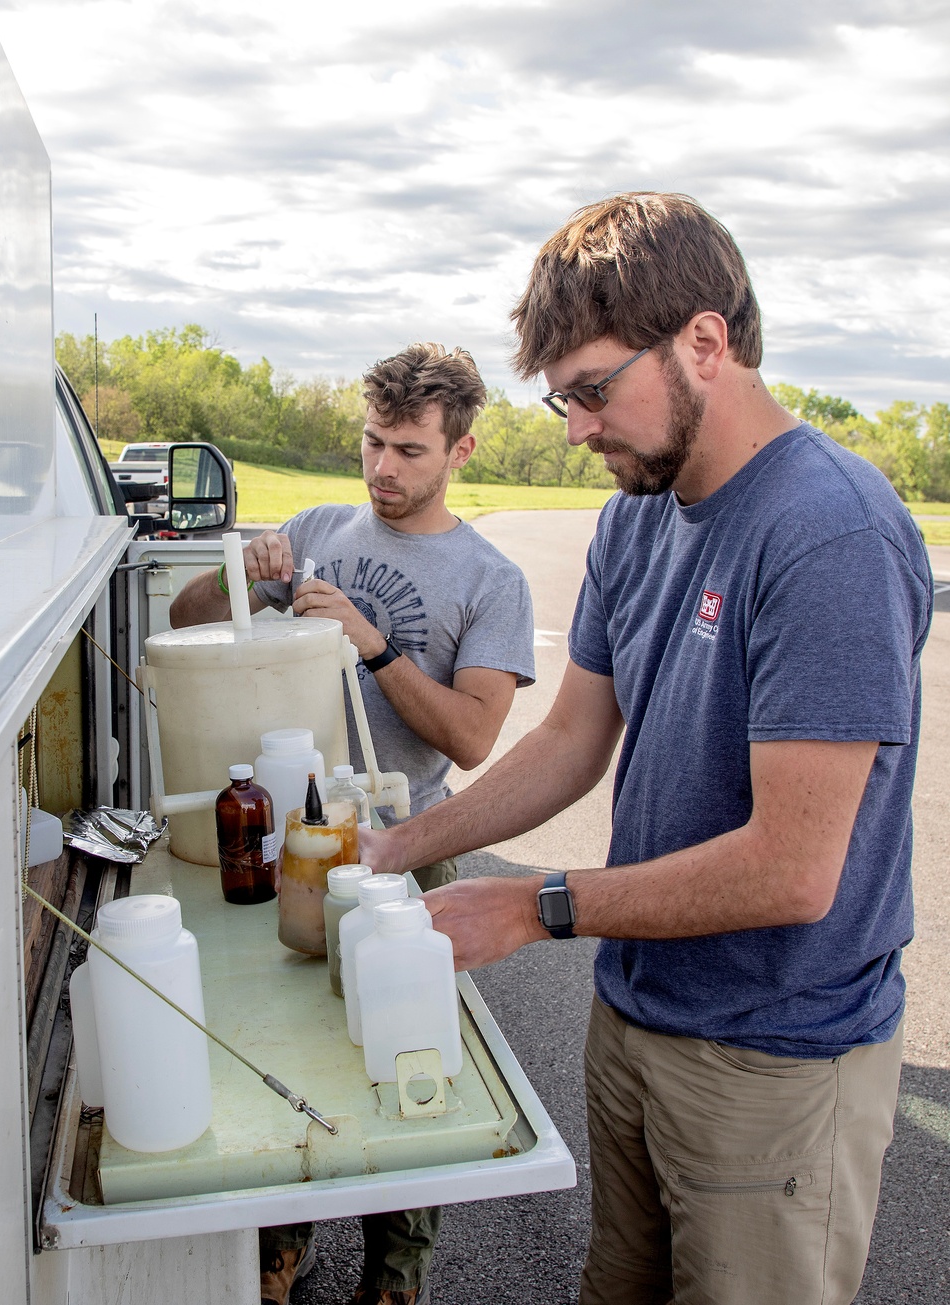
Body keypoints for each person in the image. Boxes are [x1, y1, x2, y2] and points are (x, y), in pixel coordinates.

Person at [359, 194, 933, 1305]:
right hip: (636, 1008)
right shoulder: (635, 514)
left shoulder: (829, 532)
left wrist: (534, 907)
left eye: (591, 390)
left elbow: (791, 867)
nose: (576, 429)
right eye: (560, 398)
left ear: (703, 344)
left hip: (773, 1054)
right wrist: (394, 848)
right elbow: (573, 737)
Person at [170, 341, 535, 1305]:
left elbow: (474, 735)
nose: (383, 468)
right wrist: (239, 575)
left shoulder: (490, 578)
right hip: (303, 844)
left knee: (406, 1057)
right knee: (290, 1041)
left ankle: (397, 1270)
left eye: (410, 450)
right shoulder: (321, 525)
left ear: (460, 450)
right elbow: (188, 612)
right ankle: (278, 1246)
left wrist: (373, 648)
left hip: (414, 851)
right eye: (374, 442)